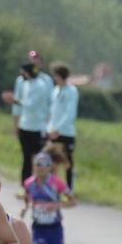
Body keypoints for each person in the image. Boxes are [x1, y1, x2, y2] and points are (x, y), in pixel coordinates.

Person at [21, 151, 77, 244]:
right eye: (38, 164)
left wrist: (57, 205)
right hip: (38, 228)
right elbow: (27, 199)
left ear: (50, 167)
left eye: (45, 165)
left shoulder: (56, 183)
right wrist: (24, 209)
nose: (41, 168)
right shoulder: (29, 184)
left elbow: (73, 201)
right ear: (34, 166)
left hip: (55, 228)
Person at [1, 50, 53, 184]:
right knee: (26, 157)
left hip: (41, 124)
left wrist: (50, 124)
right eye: (31, 60)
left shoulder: (45, 81)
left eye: (36, 60)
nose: (33, 62)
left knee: (41, 158)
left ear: (40, 62)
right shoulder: (21, 81)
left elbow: (49, 104)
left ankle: (43, 185)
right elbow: (18, 104)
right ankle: (26, 186)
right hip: (25, 123)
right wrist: (16, 124)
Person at [47, 62, 79, 191]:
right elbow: (52, 112)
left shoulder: (71, 91)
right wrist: (49, 129)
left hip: (66, 132)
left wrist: (58, 129)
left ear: (59, 75)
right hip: (53, 132)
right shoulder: (55, 91)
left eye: (54, 75)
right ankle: (52, 187)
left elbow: (70, 113)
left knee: (67, 162)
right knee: (51, 161)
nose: (53, 78)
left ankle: (68, 190)